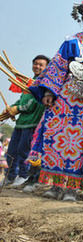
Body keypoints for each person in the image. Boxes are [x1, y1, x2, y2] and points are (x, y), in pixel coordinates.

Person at [29, 1, 83, 201]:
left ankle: (81, 187)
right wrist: (49, 92)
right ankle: (56, 185)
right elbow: (57, 68)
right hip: (67, 99)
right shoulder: (71, 42)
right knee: (60, 140)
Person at [1, 55, 49, 188]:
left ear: (46, 68)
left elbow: (32, 103)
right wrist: (10, 109)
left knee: (24, 151)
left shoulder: (43, 83)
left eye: (41, 65)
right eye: (35, 64)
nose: (37, 67)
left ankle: (23, 176)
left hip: (32, 123)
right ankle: (9, 177)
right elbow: (22, 100)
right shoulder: (29, 82)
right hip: (21, 123)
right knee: (11, 151)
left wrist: (18, 108)